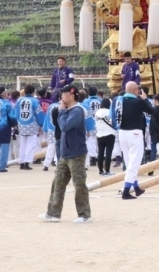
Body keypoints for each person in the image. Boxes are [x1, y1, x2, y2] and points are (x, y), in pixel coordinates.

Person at [39, 85, 91, 223]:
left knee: (79, 184)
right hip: (65, 152)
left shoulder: (77, 111)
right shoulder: (67, 110)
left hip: (76, 153)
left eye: (64, 94)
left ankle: (84, 215)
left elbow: (64, 126)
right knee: (58, 182)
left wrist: (61, 112)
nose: (61, 97)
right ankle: (53, 213)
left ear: (72, 95)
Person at [119, 81, 154, 199]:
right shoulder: (138, 101)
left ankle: (136, 187)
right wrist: (145, 99)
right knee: (134, 162)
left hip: (122, 133)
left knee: (129, 161)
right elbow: (152, 111)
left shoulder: (118, 100)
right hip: (135, 133)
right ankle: (126, 190)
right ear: (135, 90)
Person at [0, 87, 17, 173]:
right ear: (4, 94)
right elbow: (12, 117)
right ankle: (1, 166)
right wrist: (15, 125)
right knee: (4, 147)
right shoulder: (7, 104)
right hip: (4, 128)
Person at [16, 85, 42, 170]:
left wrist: (17, 122)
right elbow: (38, 113)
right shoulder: (35, 101)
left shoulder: (19, 100)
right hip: (32, 125)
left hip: (21, 124)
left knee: (22, 145)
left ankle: (21, 162)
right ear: (32, 92)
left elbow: (16, 113)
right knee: (31, 145)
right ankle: (27, 162)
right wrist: (41, 124)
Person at [95, 97, 116, 176]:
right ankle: (107, 170)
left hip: (99, 135)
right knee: (108, 153)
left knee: (100, 153)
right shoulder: (110, 112)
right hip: (110, 134)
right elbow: (113, 123)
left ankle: (100, 170)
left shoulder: (97, 112)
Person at [83, 87, 101, 167]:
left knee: (91, 142)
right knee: (100, 142)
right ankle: (100, 157)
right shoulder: (101, 100)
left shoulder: (86, 101)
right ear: (96, 92)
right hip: (101, 123)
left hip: (91, 123)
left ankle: (93, 158)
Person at [42, 98, 59, 171]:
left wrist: (45, 128)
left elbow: (46, 118)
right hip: (60, 130)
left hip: (51, 130)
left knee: (51, 147)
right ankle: (57, 163)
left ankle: (46, 164)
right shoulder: (65, 107)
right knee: (59, 147)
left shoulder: (51, 106)